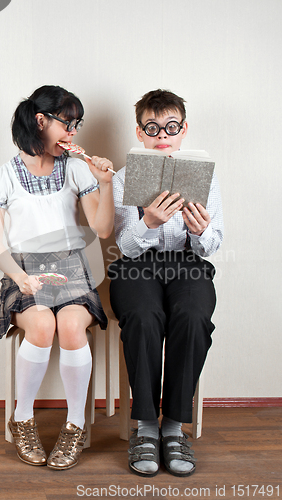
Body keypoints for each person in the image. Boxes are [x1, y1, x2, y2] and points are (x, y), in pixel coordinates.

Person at [0, 85, 114, 470]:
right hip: (21, 269)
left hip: (72, 267)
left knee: (72, 326)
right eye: (67, 124)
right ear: (41, 121)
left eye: (77, 126)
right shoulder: (1, 178)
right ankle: (23, 418)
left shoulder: (75, 169)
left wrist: (105, 184)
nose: (73, 134)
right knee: (41, 326)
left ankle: (74, 427)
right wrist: (20, 277)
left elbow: (103, 230)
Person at [108, 89, 223, 477]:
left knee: (192, 317)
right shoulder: (124, 179)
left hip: (188, 264)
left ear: (183, 129)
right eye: (153, 127)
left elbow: (213, 244)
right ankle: (146, 427)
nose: (162, 135)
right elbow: (123, 246)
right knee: (142, 316)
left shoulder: (205, 176)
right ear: (140, 132)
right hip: (137, 266)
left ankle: (173, 427)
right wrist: (148, 223)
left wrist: (201, 232)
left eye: (171, 127)